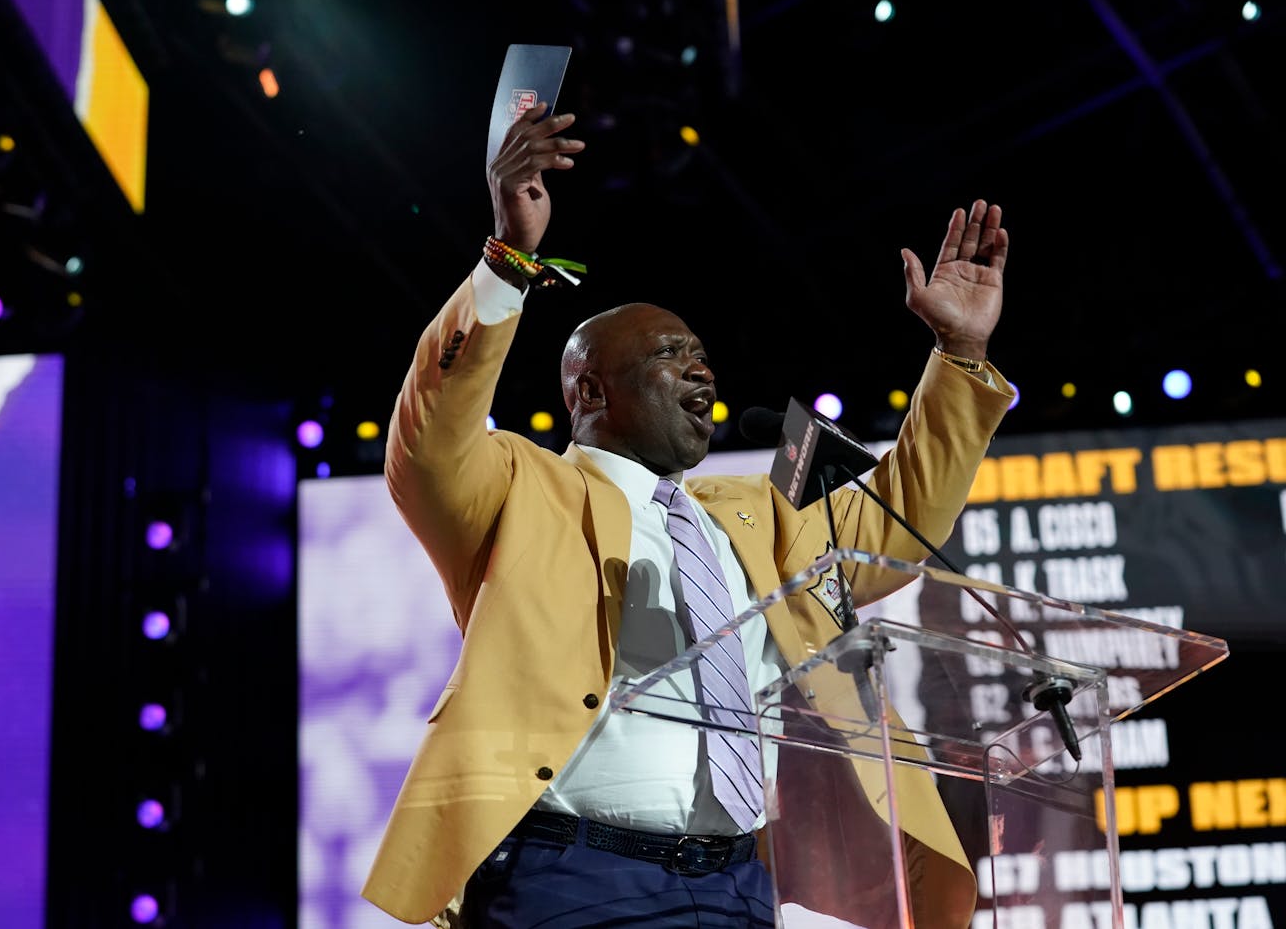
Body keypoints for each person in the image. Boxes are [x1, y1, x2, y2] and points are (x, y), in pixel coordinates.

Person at [362, 100, 1015, 928]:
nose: (702, 372)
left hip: (739, 881)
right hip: (572, 878)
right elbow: (430, 433)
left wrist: (960, 356)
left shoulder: (752, 517)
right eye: (671, 355)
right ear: (589, 389)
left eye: (703, 356)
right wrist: (509, 257)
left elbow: (899, 519)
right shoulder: (521, 489)